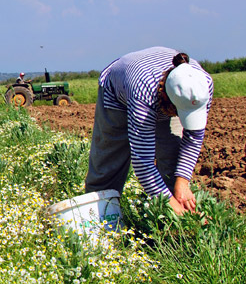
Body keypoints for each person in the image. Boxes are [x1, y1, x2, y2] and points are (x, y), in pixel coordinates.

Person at [85, 47, 213, 215]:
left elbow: (193, 138)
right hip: (118, 93)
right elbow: (143, 162)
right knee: (108, 164)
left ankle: (170, 222)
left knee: (172, 158)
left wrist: (182, 182)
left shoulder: (201, 86)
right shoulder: (142, 94)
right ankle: (99, 217)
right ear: (168, 101)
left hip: (159, 92)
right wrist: (169, 202)